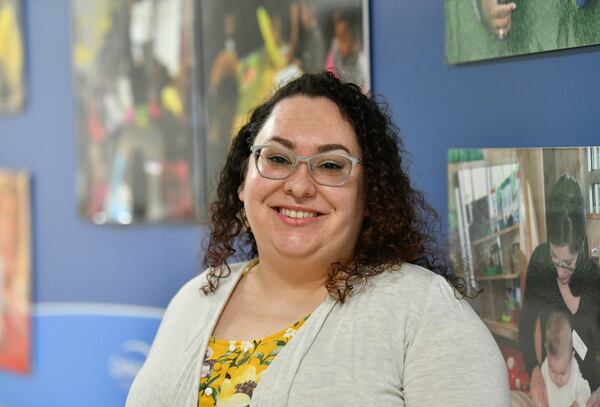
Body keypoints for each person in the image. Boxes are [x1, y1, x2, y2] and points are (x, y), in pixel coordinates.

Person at [126, 72, 509, 406]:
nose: (298, 186)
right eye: (277, 158)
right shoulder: (193, 300)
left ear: (369, 195)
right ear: (244, 180)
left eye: (330, 165)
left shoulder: (425, 314)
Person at [519, 174, 600, 407]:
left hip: (588, 394)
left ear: (581, 248)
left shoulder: (594, 277)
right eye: (555, 258)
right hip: (551, 387)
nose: (560, 271)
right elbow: (526, 325)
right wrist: (534, 370)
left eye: (568, 262)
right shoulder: (540, 262)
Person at [541, 310, 591, 407]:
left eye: (563, 373)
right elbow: (541, 393)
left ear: (571, 357)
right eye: (553, 371)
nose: (557, 378)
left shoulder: (574, 370)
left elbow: (585, 391)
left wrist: (578, 403)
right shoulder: (545, 366)